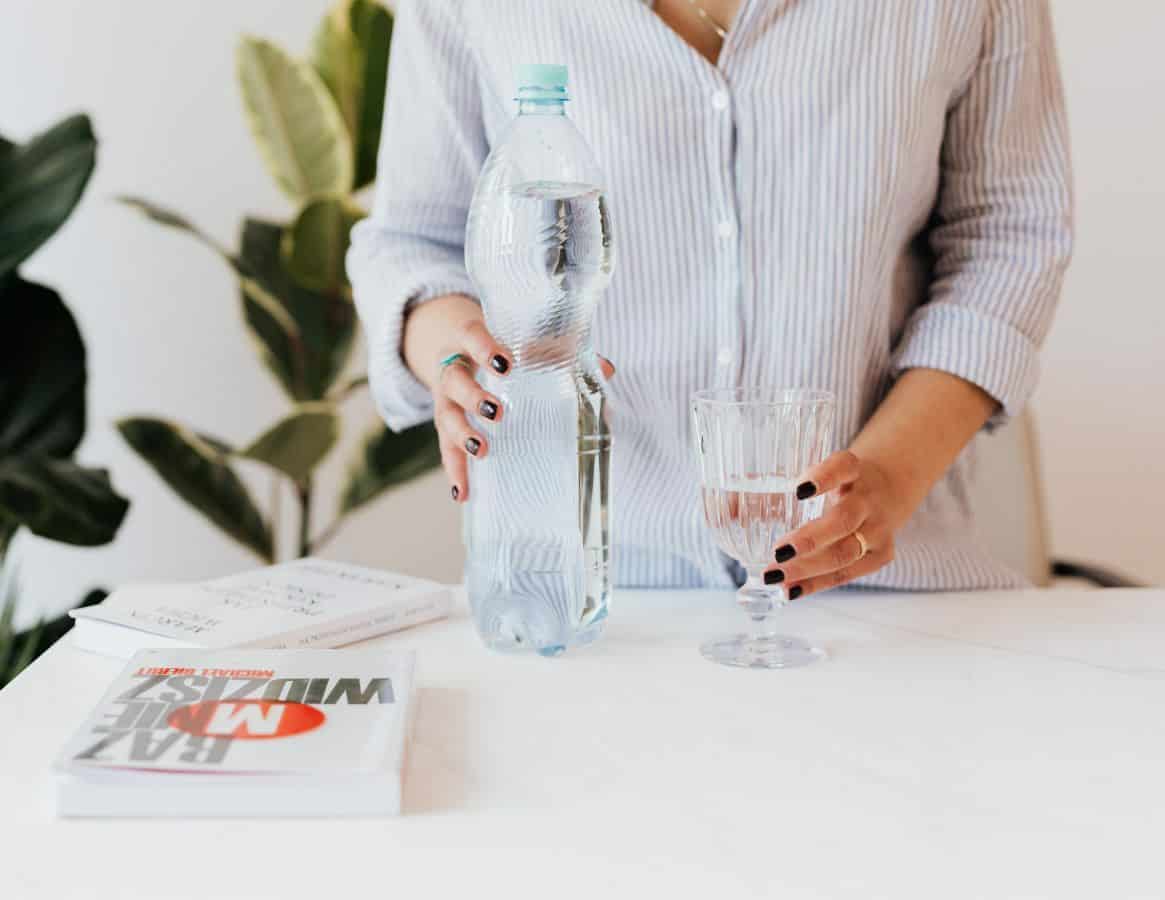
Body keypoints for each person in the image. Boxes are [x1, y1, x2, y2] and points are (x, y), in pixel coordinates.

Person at [347, 0, 1073, 596]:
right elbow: (413, 242)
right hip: (580, 598)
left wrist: (887, 475)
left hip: (887, 601)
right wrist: (456, 351)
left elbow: (1010, 235)